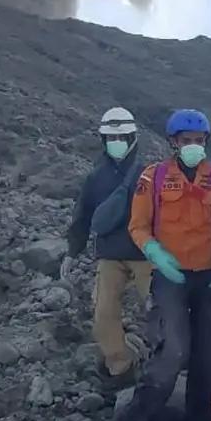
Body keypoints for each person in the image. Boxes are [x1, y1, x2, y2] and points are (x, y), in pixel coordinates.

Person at [114, 108, 211, 421]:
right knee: (173, 351)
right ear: (174, 142)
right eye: (187, 141)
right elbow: (137, 226)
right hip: (171, 277)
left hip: (208, 278)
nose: (194, 146)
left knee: (208, 353)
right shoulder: (152, 178)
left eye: (199, 141)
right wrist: (154, 253)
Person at [61, 106, 150, 386]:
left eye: (121, 138)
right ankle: (120, 366)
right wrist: (71, 252)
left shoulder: (149, 174)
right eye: (112, 138)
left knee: (162, 308)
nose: (117, 143)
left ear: (132, 138)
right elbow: (83, 216)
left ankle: (168, 359)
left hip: (146, 254)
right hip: (110, 256)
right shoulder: (95, 178)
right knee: (103, 313)